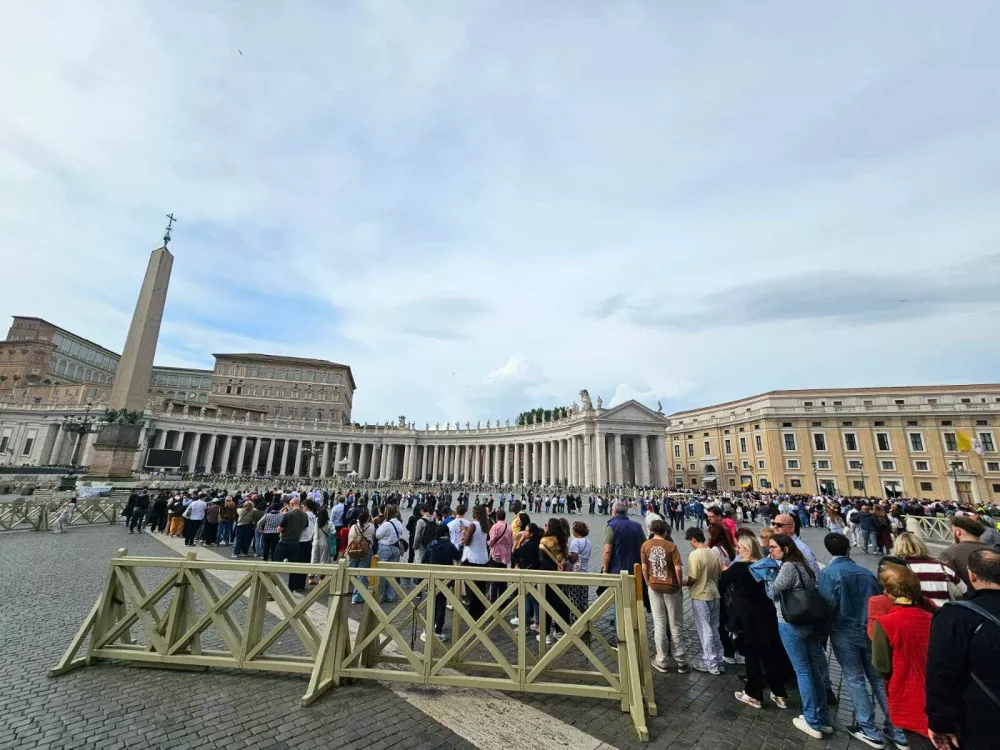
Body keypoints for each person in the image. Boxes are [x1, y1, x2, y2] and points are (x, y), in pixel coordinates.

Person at [819, 533, 907, 749]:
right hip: (871, 631)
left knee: (854, 678)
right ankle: (898, 730)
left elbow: (826, 605)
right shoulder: (867, 573)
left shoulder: (829, 573)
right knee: (879, 679)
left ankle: (868, 729)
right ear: (849, 548)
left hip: (843, 631)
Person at [926, 547, 1000, 750]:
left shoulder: (956, 616)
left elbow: (942, 673)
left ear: (972, 575)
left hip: (981, 720)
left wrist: (939, 722)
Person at [767, 533, 832, 740]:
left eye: (774, 547)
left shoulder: (788, 567)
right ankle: (824, 719)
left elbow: (773, 591)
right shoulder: (804, 565)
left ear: (785, 549)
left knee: (803, 671)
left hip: (790, 623)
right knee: (814, 671)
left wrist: (768, 577)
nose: (771, 550)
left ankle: (811, 720)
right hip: (808, 622)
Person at [871, 564, 934, 750]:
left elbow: (882, 666)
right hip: (939, 692)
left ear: (888, 592)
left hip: (907, 692)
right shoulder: (932, 616)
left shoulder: (886, 622)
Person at [723, 533, 787, 709]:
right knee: (770, 653)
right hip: (767, 612)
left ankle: (754, 694)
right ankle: (779, 693)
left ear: (746, 549)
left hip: (746, 616)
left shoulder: (739, 567)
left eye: (740, 548)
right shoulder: (765, 566)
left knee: (751, 654)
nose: (738, 550)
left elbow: (723, 582)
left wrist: (724, 571)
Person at [641, 520, 688, 674]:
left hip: (654, 586)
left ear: (652, 530)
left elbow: (644, 566)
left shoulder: (646, 545)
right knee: (675, 624)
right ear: (666, 532)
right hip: (671, 587)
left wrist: (648, 581)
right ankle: (681, 660)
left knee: (659, 623)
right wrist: (679, 585)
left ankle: (661, 660)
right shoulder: (671, 546)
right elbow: (678, 568)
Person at [684, 527, 724, 675]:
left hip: (700, 594)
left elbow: (693, 578)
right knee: (714, 627)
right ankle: (719, 659)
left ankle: (710, 662)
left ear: (693, 539)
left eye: (690, 541)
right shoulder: (713, 553)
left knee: (704, 628)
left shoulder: (695, 555)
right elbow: (719, 574)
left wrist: (684, 583)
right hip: (714, 593)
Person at [892, 532, 966, 607]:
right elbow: (964, 590)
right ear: (921, 546)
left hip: (916, 614)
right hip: (943, 612)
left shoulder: (897, 570)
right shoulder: (942, 567)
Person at [420, 524, 462, 643]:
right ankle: (438, 630)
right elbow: (458, 557)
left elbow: (424, 560)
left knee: (431, 602)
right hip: (444, 579)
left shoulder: (431, 544)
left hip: (431, 577)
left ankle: (428, 628)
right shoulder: (449, 545)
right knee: (441, 604)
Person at [538, 518, 570, 644]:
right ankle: (559, 630)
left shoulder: (545, 541)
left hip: (547, 575)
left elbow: (542, 561)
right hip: (559, 574)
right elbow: (564, 558)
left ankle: (545, 634)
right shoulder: (561, 540)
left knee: (546, 604)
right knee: (558, 603)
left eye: (546, 525)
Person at [938, 515, 988, 591]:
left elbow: (948, 585)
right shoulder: (994, 549)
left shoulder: (948, 553)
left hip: (968, 600)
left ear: (958, 532)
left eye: (952, 531)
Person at [374, 505, 406, 603]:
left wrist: (380, 527)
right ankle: (391, 595)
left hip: (385, 548)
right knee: (391, 573)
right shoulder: (399, 523)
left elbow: (377, 536)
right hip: (395, 548)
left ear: (387, 514)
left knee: (383, 573)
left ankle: (381, 595)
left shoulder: (386, 524)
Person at [278, 498, 309, 592]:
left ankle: (272, 588)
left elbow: (279, 529)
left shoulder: (288, 514)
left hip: (284, 542)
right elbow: (305, 528)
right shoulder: (305, 515)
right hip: (296, 543)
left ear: (291, 504)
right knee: (293, 567)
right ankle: (291, 588)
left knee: (275, 565)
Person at [346, 510, 375, 604]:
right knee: (362, 574)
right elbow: (373, 537)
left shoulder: (354, 527)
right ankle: (357, 597)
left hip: (354, 551)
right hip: (366, 551)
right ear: (368, 518)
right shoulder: (371, 527)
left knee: (350, 571)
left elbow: (350, 538)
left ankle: (345, 590)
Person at [565, 521, 592, 621]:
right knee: (583, 599)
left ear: (576, 531)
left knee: (573, 599)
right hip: (585, 572)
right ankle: (585, 621)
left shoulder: (575, 542)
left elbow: (574, 558)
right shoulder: (588, 542)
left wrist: (566, 555)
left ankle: (575, 623)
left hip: (575, 573)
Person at [486, 509, 513, 602]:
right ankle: (503, 600)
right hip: (505, 554)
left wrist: (488, 543)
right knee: (503, 578)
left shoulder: (495, 526)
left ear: (496, 517)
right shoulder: (509, 527)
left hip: (496, 554)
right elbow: (511, 541)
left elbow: (492, 539)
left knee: (494, 578)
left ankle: (493, 599)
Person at [308, 503, 333, 585]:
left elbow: (313, 533)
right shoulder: (329, 523)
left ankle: (311, 578)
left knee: (314, 560)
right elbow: (333, 532)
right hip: (324, 543)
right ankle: (321, 579)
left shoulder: (316, 522)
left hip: (315, 542)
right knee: (323, 561)